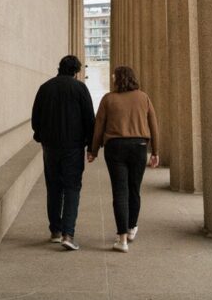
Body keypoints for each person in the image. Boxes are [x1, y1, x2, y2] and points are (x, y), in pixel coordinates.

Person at [87, 65, 159, 253]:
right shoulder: (143, 97)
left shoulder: (108, 99)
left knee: (120, 191)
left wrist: (93, 150)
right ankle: (132, 227)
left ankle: (122, 239)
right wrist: (155, 152)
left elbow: (98, 126)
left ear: (118, 79)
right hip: (139, 147)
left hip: (115, 147)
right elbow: (153, 125)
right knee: (134, 189)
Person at [31, 54, 95, 251]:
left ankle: (55, 231)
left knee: (54, 187)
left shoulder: (45, 87)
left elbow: (36, 118)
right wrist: (91, 146)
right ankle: (68, 233)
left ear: (59, 67)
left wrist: (41, 137)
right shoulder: (80, 88)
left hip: (50, 146)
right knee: (72, 188)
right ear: (76, 72)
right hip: (73, 147)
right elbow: (89, 119)